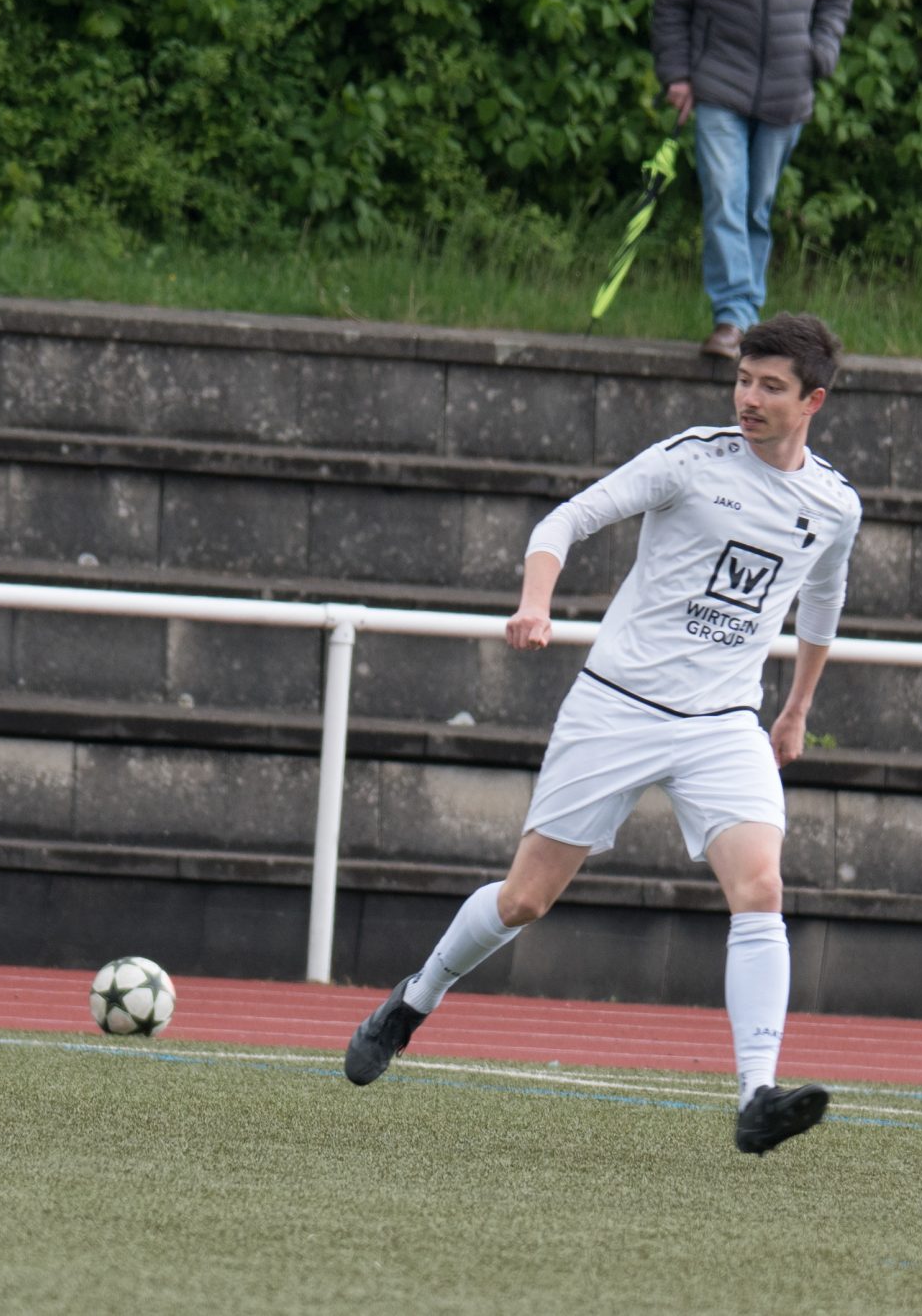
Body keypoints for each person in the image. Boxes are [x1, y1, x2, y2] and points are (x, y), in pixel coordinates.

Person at [344, 312, 862, 1156]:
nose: (749, 397)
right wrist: (535, 602)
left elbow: (823, 602)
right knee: (525, 899)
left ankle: (756, 1095)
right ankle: (414, 999)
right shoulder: (689, 460)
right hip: (617, 706)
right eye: (743, 379)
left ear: (814, 401)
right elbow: (564, 521)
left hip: (722, 723)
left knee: (761, 885)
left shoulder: (834, 504)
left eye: (771, 386)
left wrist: (797, 707)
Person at [651, 0, 853, 358]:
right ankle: (734, 317)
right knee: (724, 196)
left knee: (757, 208)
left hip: (788, 90)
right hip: (718, 84)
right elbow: (671, 1)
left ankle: (745, 318)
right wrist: (676, 74)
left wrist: (820, 53)